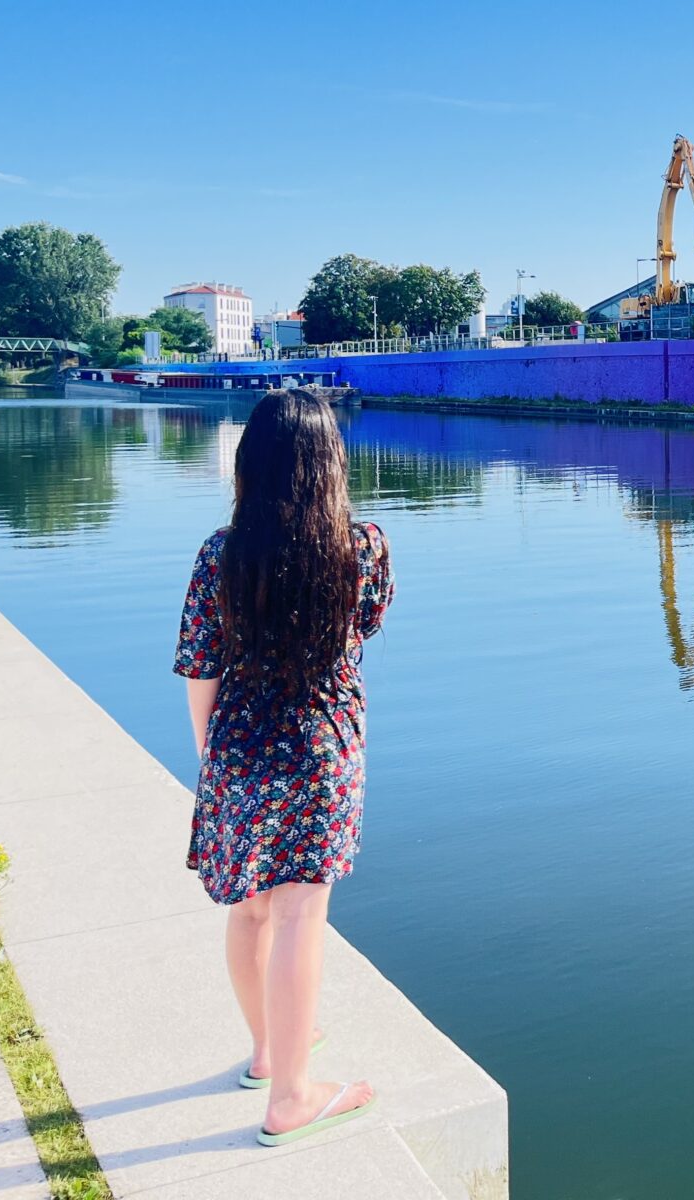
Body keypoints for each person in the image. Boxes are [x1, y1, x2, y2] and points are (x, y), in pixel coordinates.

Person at [173, 387, 394, 1146]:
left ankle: (269, 1053)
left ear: (250, 463)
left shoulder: (219, 553)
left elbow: (199, 669)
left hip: (238, 742)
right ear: (330, 462)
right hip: (322, 747)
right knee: (304, 909)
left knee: (253, 906)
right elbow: (364, 628)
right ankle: (294, 1097)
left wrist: (214, 760)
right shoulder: (362, 546)